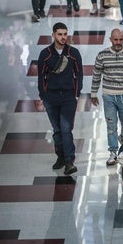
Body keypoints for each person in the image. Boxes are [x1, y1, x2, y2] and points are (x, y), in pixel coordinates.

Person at [90, 28, 123, 166]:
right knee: (111, 126)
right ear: (111, 40)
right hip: (109, 97)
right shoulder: (102, 55)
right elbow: (96, 75)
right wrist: (93, 93)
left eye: (120, 39)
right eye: (115, 40)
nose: (118, 42)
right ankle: (113, 152)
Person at [37, 22, 83, 175]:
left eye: (65, 34)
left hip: (68, 98)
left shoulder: (73, 53)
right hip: (51, 97)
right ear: (53, 35)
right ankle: (61, 157)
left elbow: (79, 74)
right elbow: (41, 77)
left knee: (65, 129)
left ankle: (69, 161)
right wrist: (43, 96)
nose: (63, 37)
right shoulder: (45, 54)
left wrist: (76, 92)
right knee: (57, 130)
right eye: (60, 34)